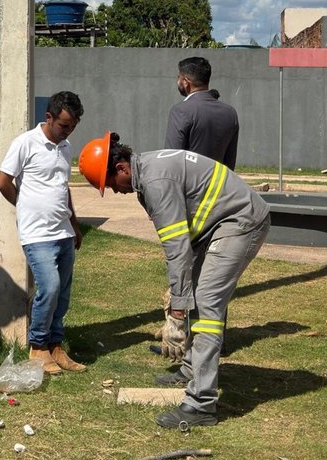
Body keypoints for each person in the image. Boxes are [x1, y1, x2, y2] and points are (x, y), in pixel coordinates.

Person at [78, 131, 270, 428]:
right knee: (198, 293)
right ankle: (192, 370)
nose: (114, 192)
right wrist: (178, 292)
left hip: (240, 221)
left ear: (121, 168)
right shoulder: (148, 174)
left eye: (111, 185)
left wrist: (177, 312)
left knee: (206, 302)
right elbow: (185, 241)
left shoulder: (154, 183)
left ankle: (201, 404)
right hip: (217, 225)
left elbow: (176, 245)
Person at [0, 92, 89, 375]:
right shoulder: (25, 143)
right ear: (49, 117)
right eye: (64, 125)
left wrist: (74, 224)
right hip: (37, 234)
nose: (68, 131)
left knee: (62, 293)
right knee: (48, 288)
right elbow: (3, 182)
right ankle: (38, 348)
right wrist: (24, 205)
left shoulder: (66, 147)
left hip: (63, 231)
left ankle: (56, 347)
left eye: (73, 126)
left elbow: (63, 187)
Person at [164, 55, 239, 169]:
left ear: (185, 82)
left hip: (189, 185)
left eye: (178, 77)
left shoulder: (181, 110)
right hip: (219, 185)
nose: (177, 81)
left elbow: (171, 159)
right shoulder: (230, 112)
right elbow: (230, 162)